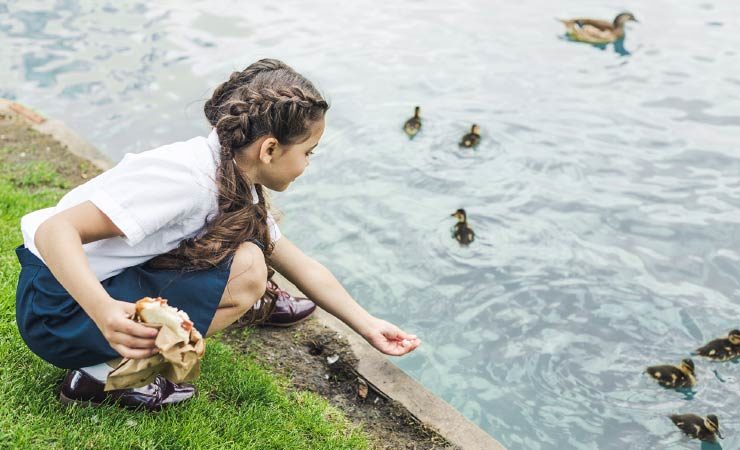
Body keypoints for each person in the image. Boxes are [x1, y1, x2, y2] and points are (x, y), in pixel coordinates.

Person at [15, 58, 421, 410]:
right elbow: (56, 230)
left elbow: (298, 262)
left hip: (67, 294)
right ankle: (103, 376)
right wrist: (103, 310)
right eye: (308, 152)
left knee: (252, 253)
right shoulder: (187, 180)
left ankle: (108, 361)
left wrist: (368, 325)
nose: (308, 164)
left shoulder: (228, 168)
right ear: (270, 149)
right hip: (55, 311)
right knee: (247, 271)